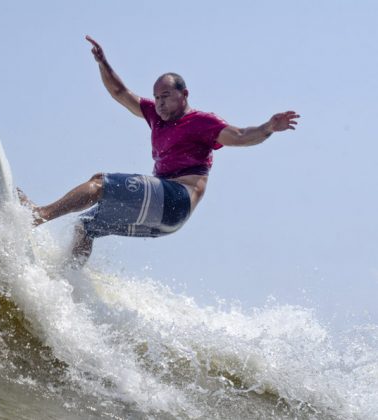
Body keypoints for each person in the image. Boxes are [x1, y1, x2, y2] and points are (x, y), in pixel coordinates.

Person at [19, 35, 300, 266]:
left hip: (177, 199)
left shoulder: (202, 122)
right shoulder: (155, 115)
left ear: (184, 95)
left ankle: (39, 215)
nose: (160, 103)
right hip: (165, 220)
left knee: (99, 183)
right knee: (85, 226)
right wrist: (102, 62)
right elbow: (120, 93)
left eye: (166, 96)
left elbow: (239, 136)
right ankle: (68, 283)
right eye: (156, 98)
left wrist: (267, 128)